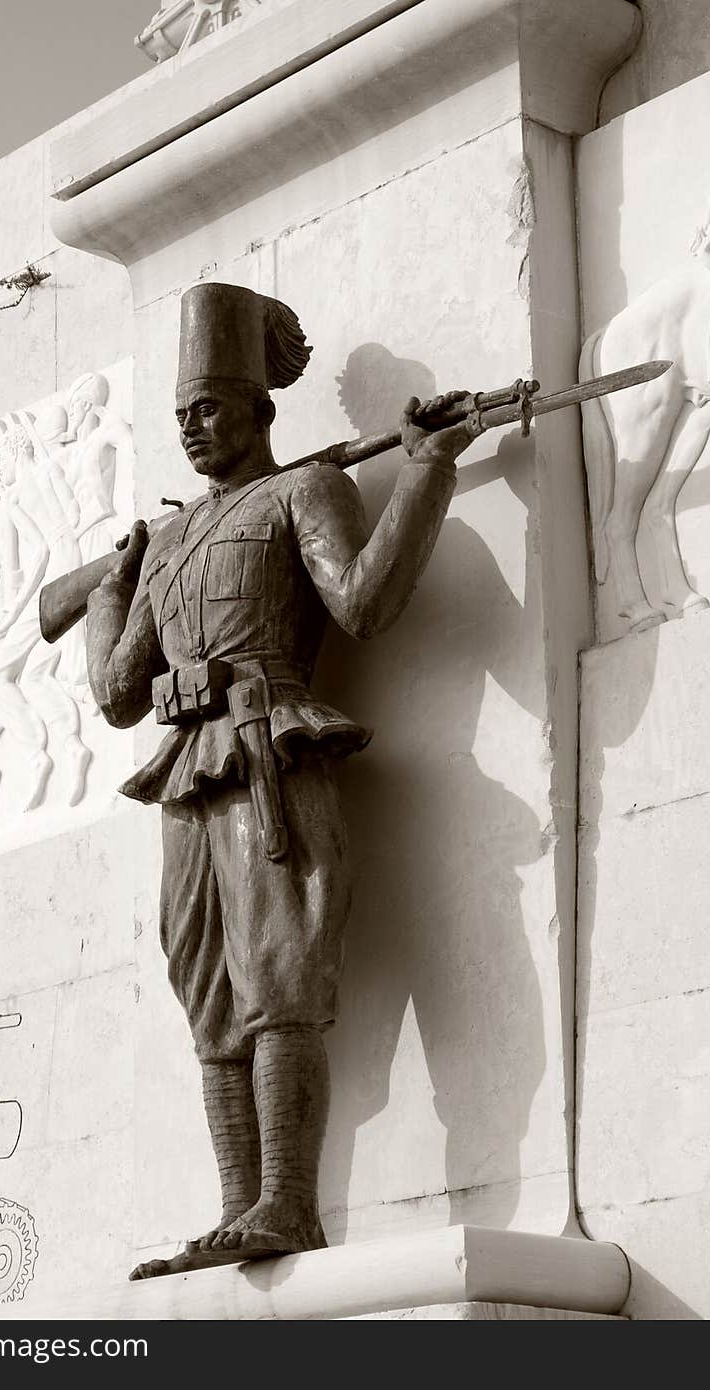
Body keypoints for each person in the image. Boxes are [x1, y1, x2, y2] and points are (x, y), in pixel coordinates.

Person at [85, 282, 474, 1279]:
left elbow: (365, 602)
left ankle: (288, 1202)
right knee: (208, 991)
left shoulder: (305, 490)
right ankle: (234, 1208)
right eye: (180, 415)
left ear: (258, 407)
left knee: (279, 978)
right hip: (184, 781)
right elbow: (115, 694)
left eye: (208, 408)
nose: (192, 430)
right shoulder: (167, 543)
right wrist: (109, 591)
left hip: (269, 752)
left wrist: (428, 467)